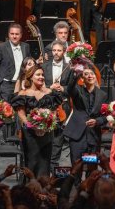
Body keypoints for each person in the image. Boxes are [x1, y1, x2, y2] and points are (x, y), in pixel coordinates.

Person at [11, 66, 63, 177]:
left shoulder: (50, 93)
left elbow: (53, 113)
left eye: (42, 75)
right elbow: (21, 114)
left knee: (45, 163)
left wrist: (46, 126)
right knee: (31, 163)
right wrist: (32, 126)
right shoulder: (23, 94)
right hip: (30, 135)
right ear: (30, 77)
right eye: (38, 75)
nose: (41, 77)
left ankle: (43, 190)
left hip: (47, 134)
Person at [63, 67, 107, 164]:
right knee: (76, 168)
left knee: (92, 169)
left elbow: (106, 116)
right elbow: (70, 88)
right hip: (77, 137)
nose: (90, 75)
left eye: (92, 73)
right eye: (86, 74)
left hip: (93, 137)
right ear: (82, 78)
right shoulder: (77, 91)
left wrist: (97, 121)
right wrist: (76, 74)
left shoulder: (102, 94)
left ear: (95, 77)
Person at [42, 40, 71, 172]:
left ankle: (54, 167)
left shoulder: (69, 67)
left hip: (62, 106)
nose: (56, 53)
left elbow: (72, 87)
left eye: (59, 50)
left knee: (58, 138)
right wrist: (49, 87)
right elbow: (39, 85)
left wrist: (63, 88)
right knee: (46, 136)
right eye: (54, 50)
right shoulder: (44, 66)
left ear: (64, 51)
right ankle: (45, 166)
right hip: (47, 105)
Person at [0, 23, 31, 102]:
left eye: (17, 34)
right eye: (12, 34)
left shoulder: (26, 46)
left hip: (22, 85)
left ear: (21, 35)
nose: (14, 36)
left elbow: (29, 64)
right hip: (6, 86)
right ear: (8, 34)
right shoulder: (1, 47)